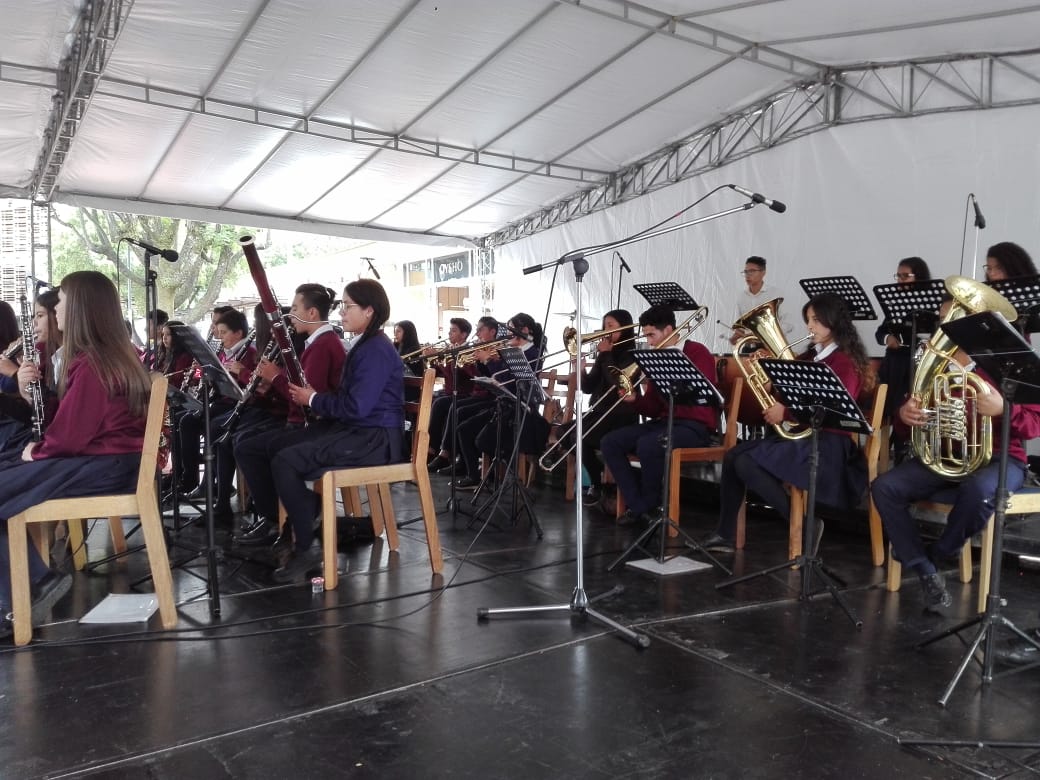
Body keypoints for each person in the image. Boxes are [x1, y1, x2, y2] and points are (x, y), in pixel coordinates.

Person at [0, 271, 152, 638]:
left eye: (62, 302)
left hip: (101, 466)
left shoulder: (94, 363)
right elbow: (76, 421)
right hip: (109, 462)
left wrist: (37, 452)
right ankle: (31, 585)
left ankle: (34, 585)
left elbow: (67, 438)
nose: (57, 309)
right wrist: (32, 396)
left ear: (81, 308)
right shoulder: (109, 355)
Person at [247, 278, 403, 583]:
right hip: (359, 431)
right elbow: (352, 404)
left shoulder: (375, 350)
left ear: (369, 311)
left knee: (286, 460)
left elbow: (357, 407)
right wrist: (315, 400)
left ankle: (307, 547)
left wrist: (313, 398)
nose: (341, 312)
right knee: (273, 449)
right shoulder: (367, 345)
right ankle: (305, 515)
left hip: (375, 439)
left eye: (348, 306)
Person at [701, 292, 875, 551]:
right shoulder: (810, 357)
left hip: (829, 446)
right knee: (734, 456)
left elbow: (833, 409)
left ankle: (804, 525)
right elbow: (793, 394)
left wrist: (786, 414)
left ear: (834, 321)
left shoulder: (844, 362)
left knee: (746, 460)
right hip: (806, 438)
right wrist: (771, 380)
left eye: (816, 320)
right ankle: (726, 533)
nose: (810, 326)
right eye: (808, 320)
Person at [234, 285, 347, 544]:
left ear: (312, 312)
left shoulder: (322, 345)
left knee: (250, 449)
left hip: (313, 426)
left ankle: (280, 516)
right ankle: (280, 514)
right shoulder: (317, 343)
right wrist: (271, 382)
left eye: (295, 309)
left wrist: (275, 377)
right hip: (304, 423)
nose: (290, 315)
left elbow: (305, 398)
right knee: (246, 443)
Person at [600, 305, 718, 525]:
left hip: (696, 426)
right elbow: (653, 408)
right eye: (646, 336)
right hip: (665, 422)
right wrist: (636, 399)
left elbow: (705, 397)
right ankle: (642, 507)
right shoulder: (656, 357)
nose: (650, 342)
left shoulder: (697, 352)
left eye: (652, 335)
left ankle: (646, 506)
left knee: (649, 444)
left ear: (669, 330)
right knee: (610, 442)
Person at [569, 309, 638, 506]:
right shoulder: (604, 354)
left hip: (620, 416)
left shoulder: (631, 355)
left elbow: (617, 385)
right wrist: (581, 369)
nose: (605, 330)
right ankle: (598, 474)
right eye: (604, 325)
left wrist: (606, 355)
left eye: (611, 326)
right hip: (600, 412)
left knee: (579, 438)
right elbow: (590, 387)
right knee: (565, 435)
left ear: (624, 329)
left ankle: (599, 484)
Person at [875, 257, 936, 459]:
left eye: (905, 276)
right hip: (893, 364)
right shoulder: (895, 304)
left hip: (916, 365)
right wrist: (888, 338)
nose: (900, 281)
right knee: (890, 405)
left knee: (911, 402)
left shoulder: (931, 304)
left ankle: (907, 446)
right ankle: (892, 444)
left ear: (919, 277)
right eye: (898, 276)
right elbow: (880, 332)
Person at [425, 317, 474, 471]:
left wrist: (441, 359)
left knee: (440, 403)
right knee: (429, 400)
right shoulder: (453, 349)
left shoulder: (467, 351)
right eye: (450, 330)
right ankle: (428, 447)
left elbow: (459, 375)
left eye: (454, 331)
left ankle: (439, 452)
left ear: (464, 334)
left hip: (464, 393)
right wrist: (433, 360)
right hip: (449, 392)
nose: (449, 333)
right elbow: (442, 373)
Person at [729, 256, 794, 351]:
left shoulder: (775, 294)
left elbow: (788, 324)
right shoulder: (741, 297)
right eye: (746, 272)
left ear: (763, 272)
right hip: (748, 348)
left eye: (752, 271)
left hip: (771, 347)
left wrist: (766, 335)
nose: (748, 275)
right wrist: (736, 336)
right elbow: (741, 326)